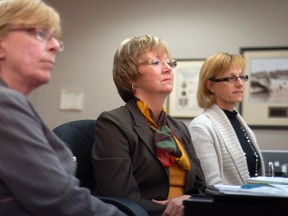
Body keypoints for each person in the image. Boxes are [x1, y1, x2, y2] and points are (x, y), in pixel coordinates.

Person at [0, 0, 126, 215]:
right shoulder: (5, 103)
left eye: (55, 38)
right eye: (40, 34)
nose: (55, 46)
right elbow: (61, 199)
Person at [91, 35, 206, 216]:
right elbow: (121, 198)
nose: (168, 68)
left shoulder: (179, 128)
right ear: (131, 76)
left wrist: (190, 202)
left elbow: (201, 187)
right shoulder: (113, 123)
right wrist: (176, 210)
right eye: (156, 63)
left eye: (170, 63)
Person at [188, 52, 265, 186]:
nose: (240, 83)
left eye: (242, 77)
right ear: (210, 85)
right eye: (231, 78)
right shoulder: (201, 126)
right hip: (229, 206)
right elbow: (212, 185)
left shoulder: (238, 121)